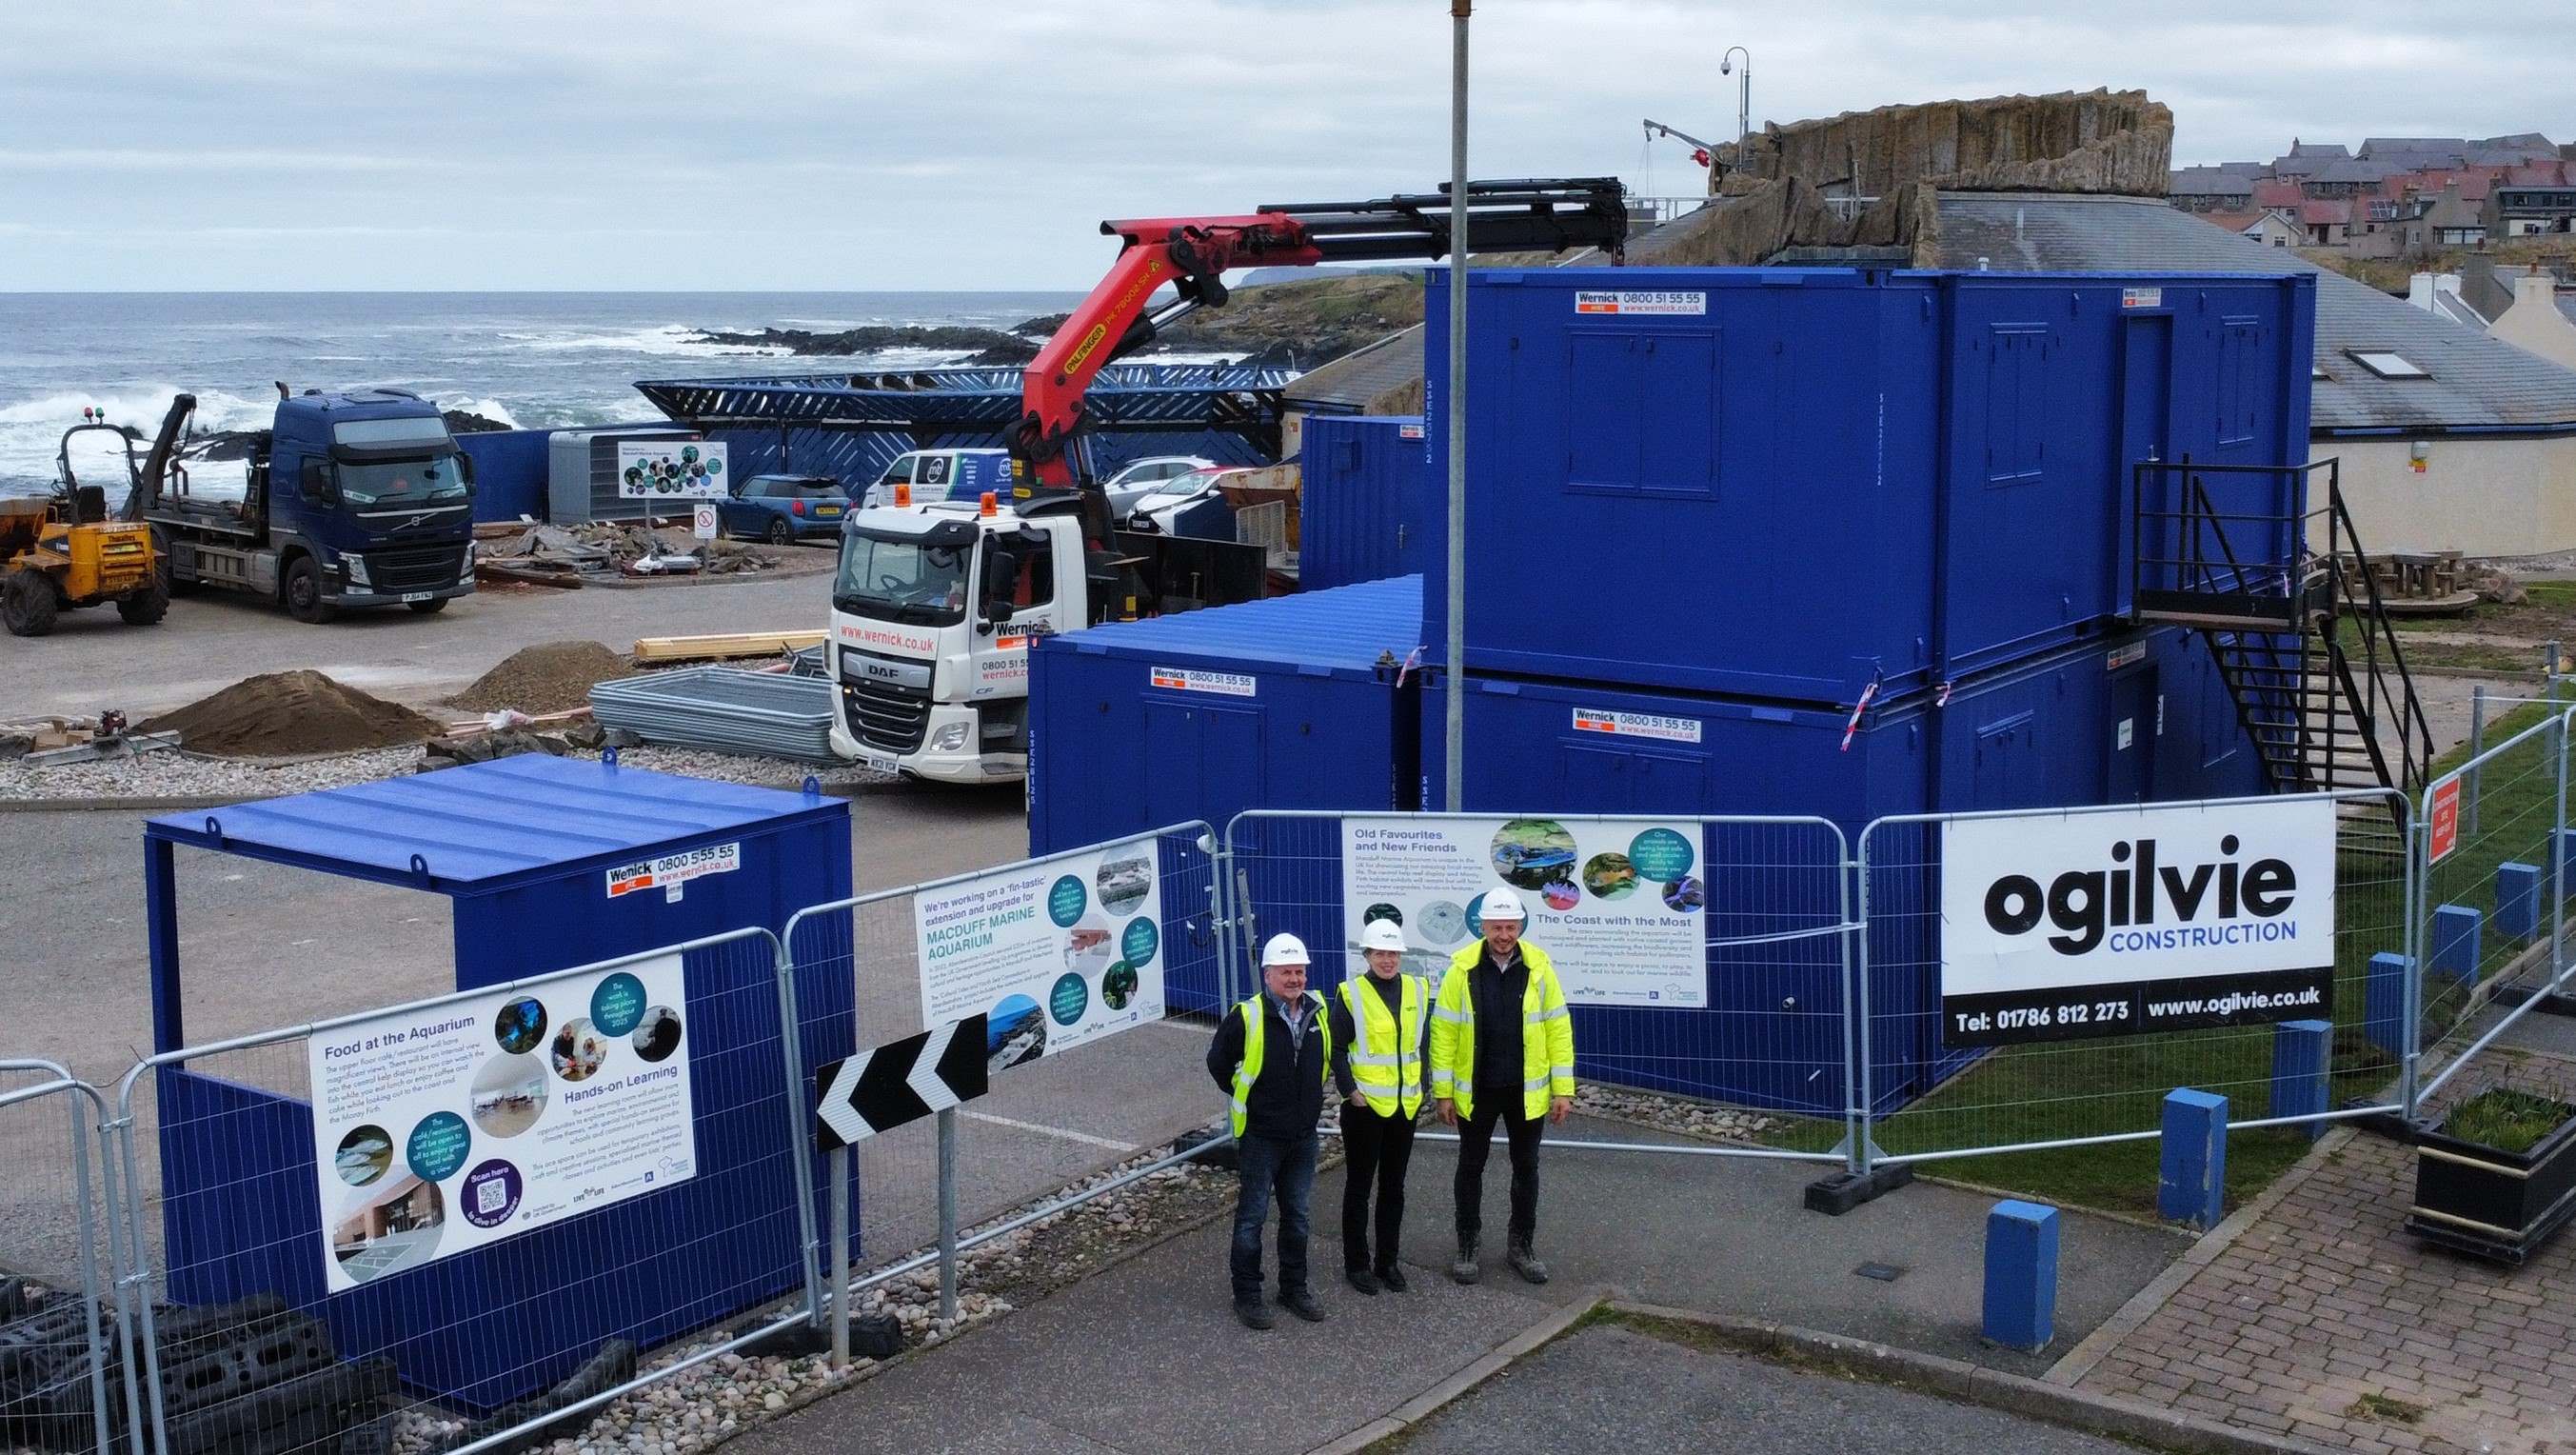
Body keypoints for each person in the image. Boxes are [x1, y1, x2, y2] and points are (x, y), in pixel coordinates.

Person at [1429, 887, 1575, 1286]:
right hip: (1478, 1090)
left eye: (1511, 927)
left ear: (1520, 926)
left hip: (1526, 1091)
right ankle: (1467, 1245)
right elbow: (1442, 1032)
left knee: (1526, 1168)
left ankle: (1521, 1246)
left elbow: (1558, 1029)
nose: (1504, 935)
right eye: (1497, 927)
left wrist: (1562, 1089)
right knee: (1470, 1167)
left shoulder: (1539, 967)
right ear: (1483, 926)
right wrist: (1442, 1092)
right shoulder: (1461, 970)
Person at [1205, 932, 1333, 1329]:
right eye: (1286, 972)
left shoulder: (1318, 1010)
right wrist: (1249, 1097)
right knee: (1252, 1218)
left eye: (1299, 971)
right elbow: (1218, 1063)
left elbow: (1327, 1057)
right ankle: (1248, 1296)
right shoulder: (1247, 1016)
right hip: (1262, 1137)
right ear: (1268, 975)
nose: (1295, 979)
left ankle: (1293, 1288)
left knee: (1297, 1216)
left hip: (1303, 1136)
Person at [1329, 918, 1427, 1294]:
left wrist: (1424, 1086)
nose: (1387, 960)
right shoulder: (1352, 994)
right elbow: (1337, 1049)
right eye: (1380, 953)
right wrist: (1350, 1090)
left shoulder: (1417, 990)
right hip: (1365, 1108)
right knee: (1359, 1185)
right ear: (1367, 955)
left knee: (1394, 1186)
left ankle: (1388, 1261)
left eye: (1393, 953)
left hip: (1405, 1106)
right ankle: (1357, 1265)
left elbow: (1420, 1043)